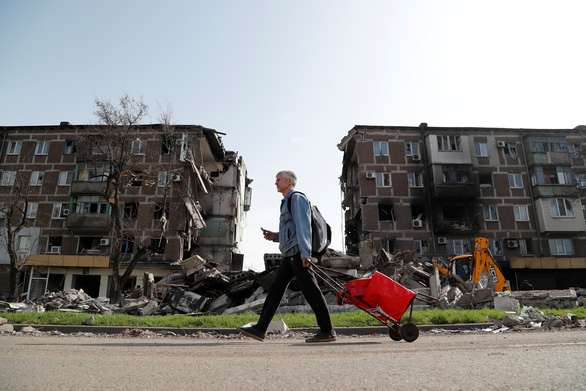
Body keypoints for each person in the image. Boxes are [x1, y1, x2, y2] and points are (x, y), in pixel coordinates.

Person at [237, 170, 336, 343]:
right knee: (275, 290)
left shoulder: (297, 198)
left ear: (289, 181)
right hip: (289, 254)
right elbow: (289, 231)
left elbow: (304, 227)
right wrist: (274, 236)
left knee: (311, 291)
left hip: (298, 254)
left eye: (278, 180)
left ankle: (328, 330)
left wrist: (306, 254)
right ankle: (260, 328)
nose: (275, 183)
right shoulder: (286, 202)